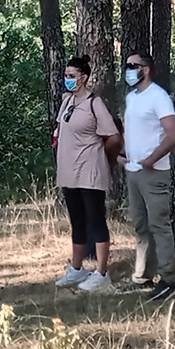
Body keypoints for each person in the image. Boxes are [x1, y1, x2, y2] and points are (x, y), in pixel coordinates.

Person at [53, 57, 120, 293]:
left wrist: (109, 160)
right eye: (66, 75)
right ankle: (77, 268)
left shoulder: (95, 103)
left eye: (72, 76)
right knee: (77, 220)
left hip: (90, 170)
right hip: (69, 171)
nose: (68, 80)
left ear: (83, 78)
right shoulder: (67, 101)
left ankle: (102, 273)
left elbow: (112, 136)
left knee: (96, 220)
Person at [120, 52, 175, 302]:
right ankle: (142, 275)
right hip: (133, 172)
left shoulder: (159, 97)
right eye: (127, 66)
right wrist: (122, 154)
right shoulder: (132, 98)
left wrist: (151, 159)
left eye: (133, 66)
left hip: (154, 173)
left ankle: (168, 280)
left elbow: (174, 135)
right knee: (141, 226)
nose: (128, 70)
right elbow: (130, 130)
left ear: (146, 69)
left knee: (159, 225)